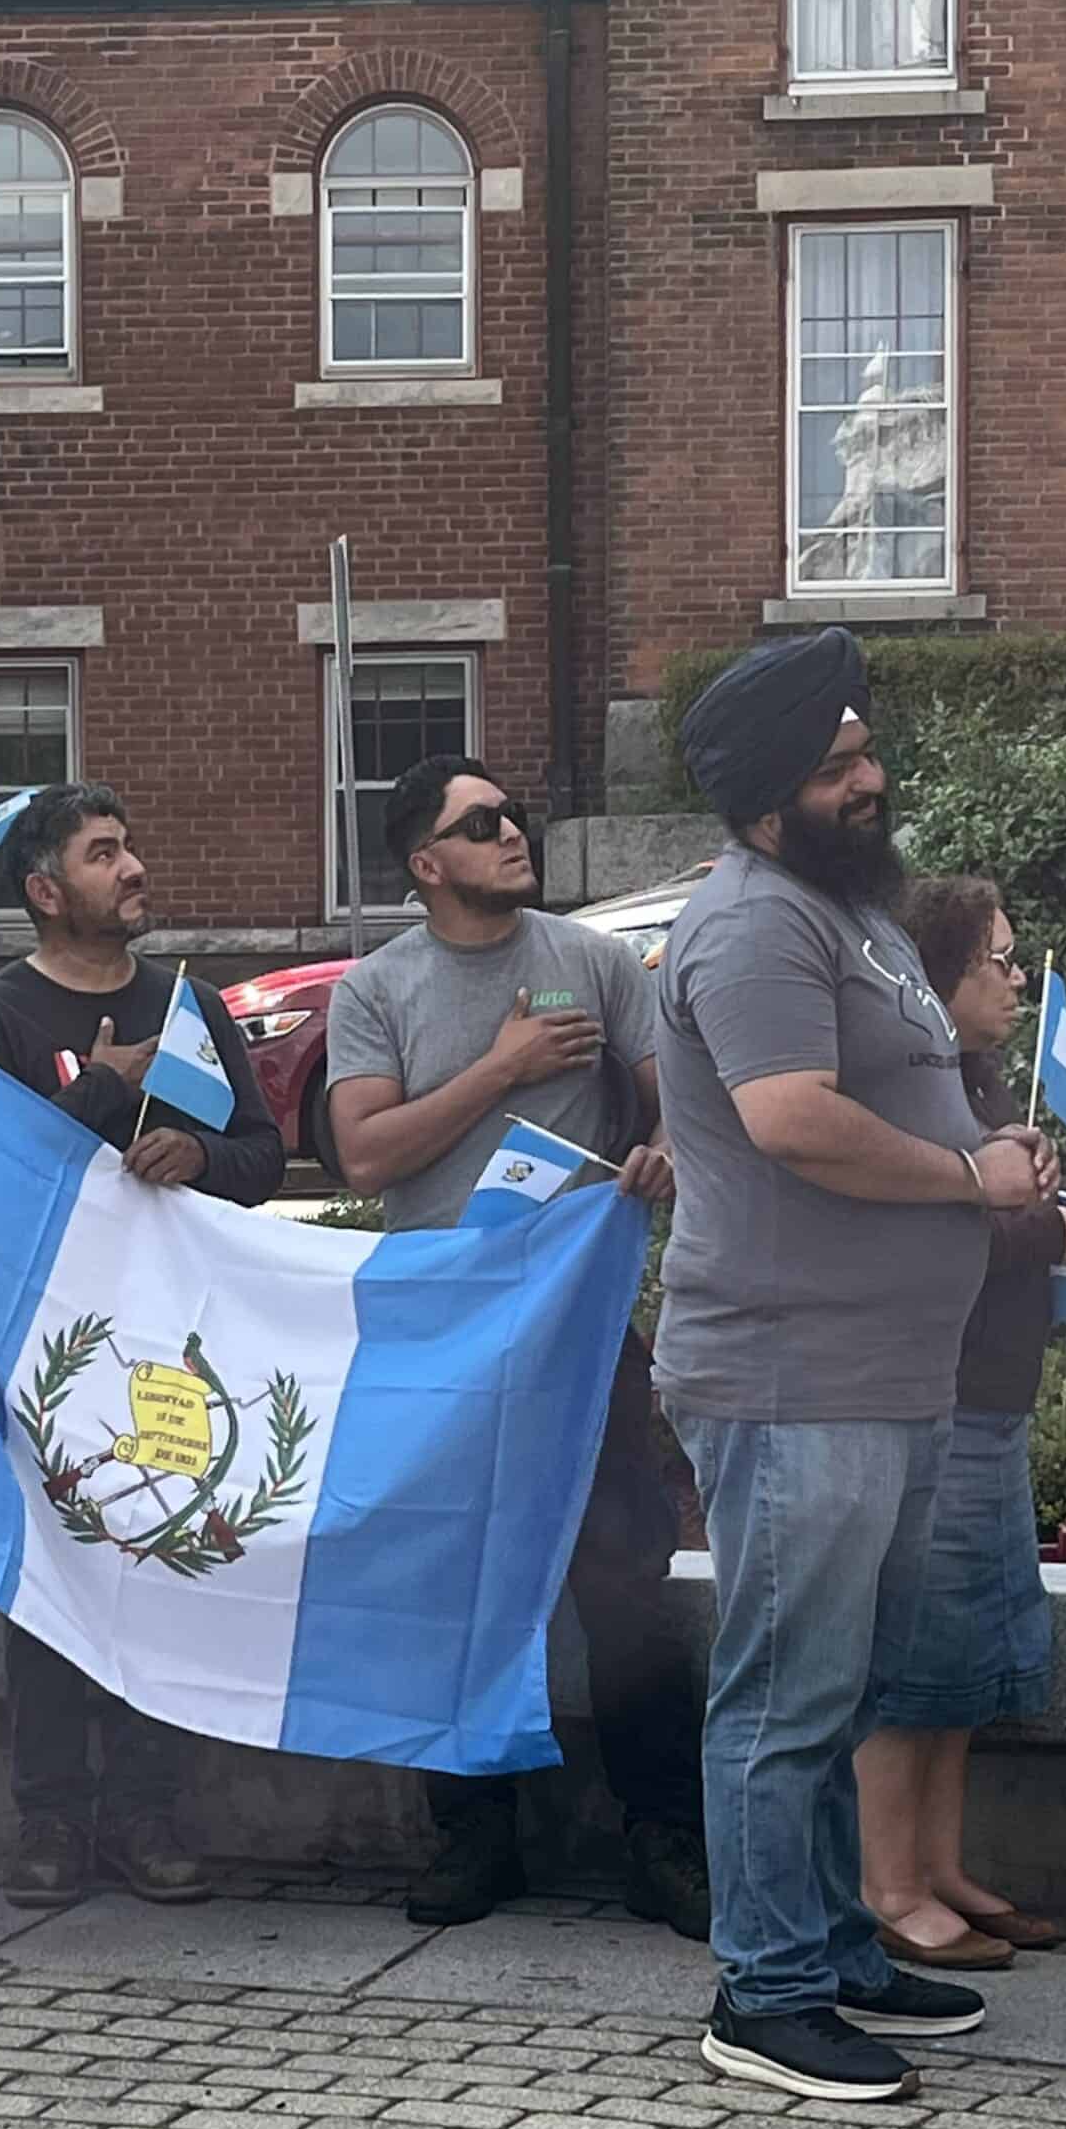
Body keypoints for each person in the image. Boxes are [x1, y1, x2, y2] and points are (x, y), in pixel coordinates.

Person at [655, 628, 1058, 2104]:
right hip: (789, 1371)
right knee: (785, 1693)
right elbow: (794, 1123)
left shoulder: (854, 912)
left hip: (884, 1371)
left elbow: (900, 1095)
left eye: (865, 751)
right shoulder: (758, 922)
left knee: (846, 1681)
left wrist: (994, 1152)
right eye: (837, 769)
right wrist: (972, 1184)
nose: (871, 779)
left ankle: (830, 1946)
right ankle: (763, 1996)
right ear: (769, 798)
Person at [324, 755, 711, 1940]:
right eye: (481, 822)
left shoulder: (592, 959)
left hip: (581, 1323)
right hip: (441, 1333)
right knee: (451, 1587)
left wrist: (658, 1150)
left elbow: (672, 1106)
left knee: (623, 1585)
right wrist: (499, 1070)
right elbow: (366, 1157)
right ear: (424, 863)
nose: (512, 833)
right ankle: (473, 1836)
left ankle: (662, 1839)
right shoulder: (375, 988)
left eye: (514, 816)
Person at [0, 783, 285, 1910]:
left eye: (130, 846)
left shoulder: (189, 1001)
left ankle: (148, 1809)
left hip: (172, 1346)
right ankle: (48, 1815)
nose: (133, 866)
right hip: (44, 1350)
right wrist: (105, 1087)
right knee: (50, 1577)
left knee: (157, 1562)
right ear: (46, 890)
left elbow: (262, 1157)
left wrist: (199, 1158)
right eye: (104, 853)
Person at [856, 878, 1066, 1969]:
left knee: (967, 1657)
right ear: (934, 976)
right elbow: (922, 1229)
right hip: (938, 1396)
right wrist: (1045, 1228)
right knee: (914, 1659)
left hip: (995, 1399)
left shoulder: (977, 1077)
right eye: (993, 960)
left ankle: (944, 1863)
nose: (1014, 977)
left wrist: (1057, 1208)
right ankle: (888, 1884)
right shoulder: (911, 1093)